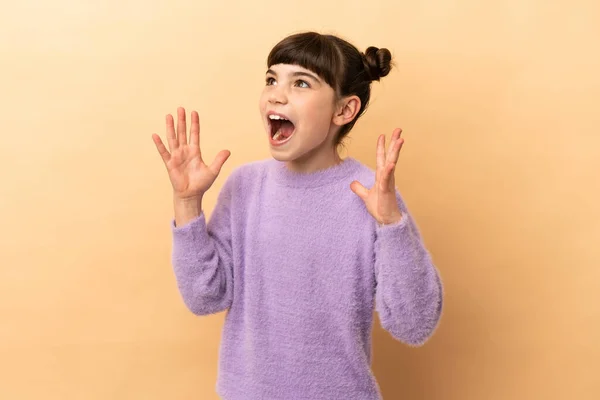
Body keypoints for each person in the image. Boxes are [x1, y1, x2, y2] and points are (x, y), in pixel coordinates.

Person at [152, 31, 443, 400]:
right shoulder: (245, 186)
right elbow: (204, 297)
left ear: (344, 110)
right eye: (272, 79)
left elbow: (413, 324)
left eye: (301, 83)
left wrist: (391, 225)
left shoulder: (373, 196)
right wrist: (187, 203)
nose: (276, 93)